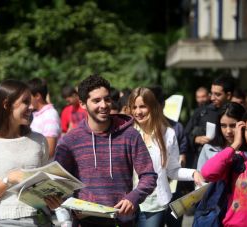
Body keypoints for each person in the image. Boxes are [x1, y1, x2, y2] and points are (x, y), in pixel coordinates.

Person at [54, 75, 157, 227]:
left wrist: (133, 197)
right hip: (85, 223)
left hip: (122, 222)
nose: (104, 105)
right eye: (96, 100)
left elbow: (149, 176)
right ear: (83, 104)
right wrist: (60, 202)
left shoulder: (130, 135)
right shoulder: (69, 141)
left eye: (107, 99)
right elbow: (58, 183)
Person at [0, 79, 54, 227]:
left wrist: (53, 199)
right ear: (6, 105)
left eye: (30, 101)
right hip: (3, 221)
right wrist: (8, 180)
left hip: (40, 218)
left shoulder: (39, 141)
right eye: (25, 102)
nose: (31, 107)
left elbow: (43, 186)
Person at [127, 87, 203, 227]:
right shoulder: (126, 132)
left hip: (154, 205)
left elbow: (172, 170)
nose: (138, 112)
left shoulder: (168, 134)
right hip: (126, 203)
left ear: (153, 106)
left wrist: (193, 173)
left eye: (143, 106)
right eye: (134, 107)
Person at [185, 75, 235, 168]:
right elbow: (185, 135)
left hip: (231, 163)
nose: (212, 98)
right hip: (204, 164)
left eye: (217, 94)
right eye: (212, 94)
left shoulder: (238, 113)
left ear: (228, 95)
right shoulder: (202, 112)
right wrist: (196, 139)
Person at [197, 102, 246, 171]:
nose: (228, 131)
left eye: (233, 125)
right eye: (223, 125)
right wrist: (235, 145)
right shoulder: (209, 148)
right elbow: (201, 178)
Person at [28, 78, 61, 158]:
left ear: (37, 96)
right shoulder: (36, 114)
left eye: (29, 96)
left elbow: (49, 151)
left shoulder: (50, 115)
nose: (27, 100)